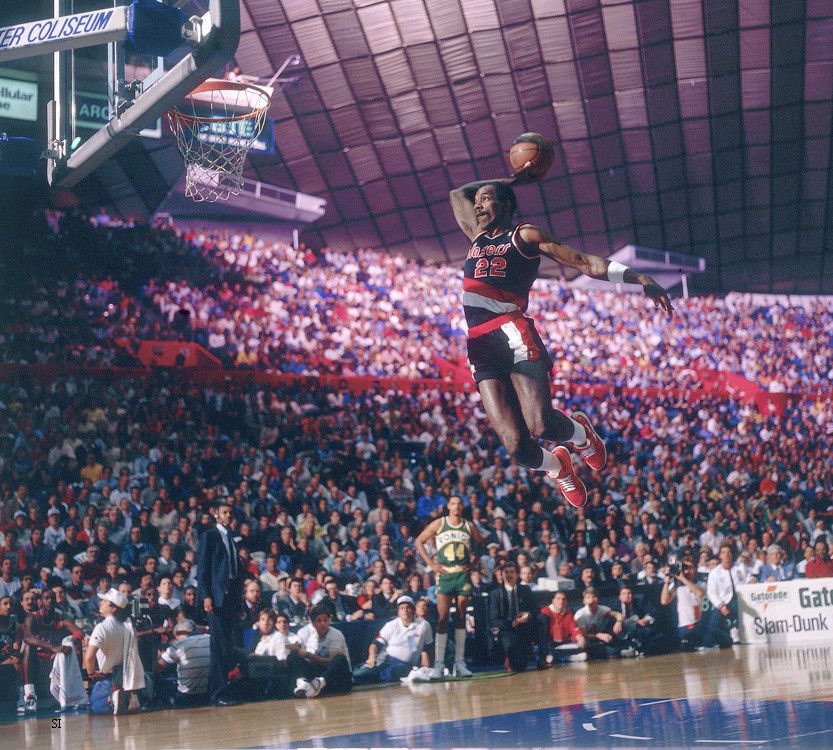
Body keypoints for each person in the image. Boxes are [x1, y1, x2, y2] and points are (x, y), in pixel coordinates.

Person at [448, 172, 672, 508]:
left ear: (506, 204)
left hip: (512, 332)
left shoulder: (523, 235)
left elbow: (583, 262)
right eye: (477, 200)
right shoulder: (476, 236)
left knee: (540, 423)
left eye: (486, 198)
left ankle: (582, 434)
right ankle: (559, 468)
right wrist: (508, 177)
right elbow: (456, 193)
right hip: (479, 344)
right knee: (518, 448)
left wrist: (637, 277)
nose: (477, 204)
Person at [415, 496, 485, 678]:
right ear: (448, 506)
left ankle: (459, 663)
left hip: (462, 574)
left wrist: (474, 562)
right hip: (445, 575)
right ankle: (439, 664)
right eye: (453, 503)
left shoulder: (468, 525)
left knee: (462, 617)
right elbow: (418, 541)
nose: (456, 506)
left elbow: (481, 543)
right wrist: (432, 564)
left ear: (463, 507)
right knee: (443, 618)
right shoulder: (440, 523)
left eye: (459, 503)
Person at [196, 500, 243, 706]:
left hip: (230, 597)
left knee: (228, 645)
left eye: (230, 513)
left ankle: (222, 689)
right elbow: (203, 568)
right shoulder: (210, 535)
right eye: (225, 512)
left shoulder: (230, 538)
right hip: (216, 598)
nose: (228, 516)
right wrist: (206, 595)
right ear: (216, 514)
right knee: (219, 645)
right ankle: (217, 693)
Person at [353, 595, 433, 684]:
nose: (405, 611)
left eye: (408, 608)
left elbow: (424, 646)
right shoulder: (391, 625)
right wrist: (372, 657)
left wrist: (424, 655)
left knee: (393, 672)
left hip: (405, 666)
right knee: (362, 674)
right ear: (398, 611)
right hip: (387, 660)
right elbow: (375, 644)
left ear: (413, 610)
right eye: (402, 608)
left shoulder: (423, 625)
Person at [82, 588, 135, 715]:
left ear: (113, 608)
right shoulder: (127, 627)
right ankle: (127, 698)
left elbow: (89, 657)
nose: (100, 602)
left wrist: (91, 673)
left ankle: (111, 699)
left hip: (108, 679)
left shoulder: (102, 627)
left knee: (94, 706)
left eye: (104, 601)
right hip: (126, 677)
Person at [292, 605, 352, 698]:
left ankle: (319, 682)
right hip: (320, 677)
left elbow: (332, 662)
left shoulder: (335, 635)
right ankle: (303, 683)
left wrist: (308, 655)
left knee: (340, 658)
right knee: (294, 656)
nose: (323, 623)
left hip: (339, 680)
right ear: (312, 623)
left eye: (325, 620)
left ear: (329, 620)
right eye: (319, 621)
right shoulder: (312, 637)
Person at [488, 561, 538, 672]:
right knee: (513, 663)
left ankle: (542, 658)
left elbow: (536, 610)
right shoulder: (496, 593)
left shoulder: (526, 590)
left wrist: (527, 615)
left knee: (521, 666)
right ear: (502, 575)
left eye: (512, 572)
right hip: (507, 630)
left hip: (524, 628)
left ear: (517, 575)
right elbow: (494, 618)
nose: (509, 575)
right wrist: (512, 623)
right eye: (506, 572)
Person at [156, 619, 211, 706]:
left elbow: (158, 667)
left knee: (162, 686)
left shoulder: (179, 645)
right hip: (209, 693)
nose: (175, 639)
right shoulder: (210, 638)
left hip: (187, 696)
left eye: (175, 636)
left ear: (180, 633)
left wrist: (159, 655)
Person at [660, 558, 705, 651]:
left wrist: (682, 578)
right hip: (684, 626)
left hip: (699, 624)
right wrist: (667, 581)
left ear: (695, 569)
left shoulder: (701, 583)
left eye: (690, 568)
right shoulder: (677, 586)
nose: (687, 571)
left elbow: (700, 593)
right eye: (685, 568)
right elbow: (664, 601)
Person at [573, 586, 626, 659]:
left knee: (613, 652)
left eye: (594, 597)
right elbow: (583, 634)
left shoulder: (603, 609)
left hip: (603, 637)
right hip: (588, 639)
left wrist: (619, 622)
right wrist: (598, 635)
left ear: (597, 599)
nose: (591, 600)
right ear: (584, 600)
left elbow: (618, 614)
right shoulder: (580, 615)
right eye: (588, 597)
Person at [704, 543, 738, 649]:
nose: (726, 555)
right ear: (720, 556)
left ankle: (736, 633)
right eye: (723, 552)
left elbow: (748, 578)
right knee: (712, 625)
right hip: (724, 603)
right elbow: (711, 592)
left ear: (732, 555)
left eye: (729, 552)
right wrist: (720, 605)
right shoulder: (715, 573)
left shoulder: (740, 568)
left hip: (739, 601)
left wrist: (751, 580)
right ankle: (711, 643)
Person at [539, 590, 587, 664]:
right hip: (548, 644)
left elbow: (574, 627)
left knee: (582, 645)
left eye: (563, 599)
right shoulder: (544, 612)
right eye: (558, 599)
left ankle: (559, 657)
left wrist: (579, 637)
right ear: (553, 600)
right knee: (546, 650)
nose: (561, 601)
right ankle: (566, 658)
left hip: (562, 644)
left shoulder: (568, 613)